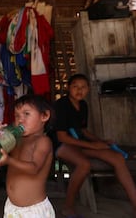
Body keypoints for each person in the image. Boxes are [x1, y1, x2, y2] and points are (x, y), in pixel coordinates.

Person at [54, 73, 136, 217]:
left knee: (117, 158)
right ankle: (68, 206)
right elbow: (62, 137)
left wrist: (101, 142)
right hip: (62, 145)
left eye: (83, 87)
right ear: (68, 88)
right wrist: (94, 146)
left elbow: (83, 131)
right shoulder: (62, 105)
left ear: (88, 89)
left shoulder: (83, 105)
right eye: (75, 87)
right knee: (84, 164)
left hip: (79, 143)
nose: (79, 90)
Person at [0, 94, 55, 218]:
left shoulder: (43, 141)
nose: (20, 119)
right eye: (17, 116)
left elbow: (34, 168)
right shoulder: (15, 140)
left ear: (44, 116)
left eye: (26, 114)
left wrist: (8, 160)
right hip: (12, 208)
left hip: (33, 212)